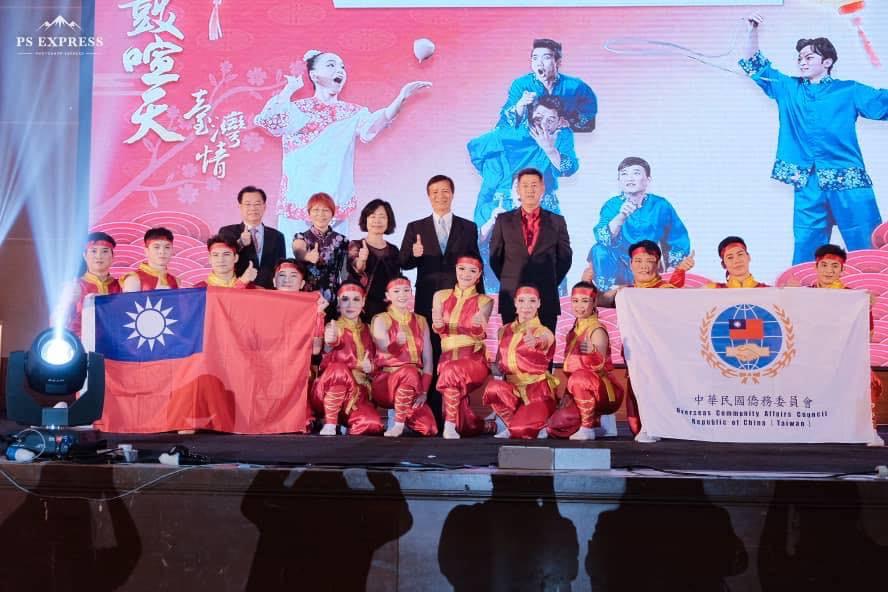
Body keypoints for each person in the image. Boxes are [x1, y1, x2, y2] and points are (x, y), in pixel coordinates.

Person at [740, 15, 886, 264]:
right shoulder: (789, 88)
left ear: (827, 62)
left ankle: (880, 298)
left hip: (848, 178)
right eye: (800, 58)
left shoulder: (848, 90)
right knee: (807, 251)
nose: (802, 62)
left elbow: (883, 103)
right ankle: (805, 301)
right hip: (808, 181)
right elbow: (755, 65)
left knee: (866, 247)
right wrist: (752, 30)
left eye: (809, 57)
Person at [253, 49, 431, 235]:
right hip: (298, 201)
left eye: (342, 67)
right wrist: (289, 90)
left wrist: (401, 96)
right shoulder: (298, 109)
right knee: (292, 262)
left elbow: (376, 123)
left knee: (335, 262)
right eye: (331, 65)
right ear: (314, 75)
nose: (339, 70)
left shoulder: (353, 113)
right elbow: (270, 120)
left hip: (334, 202)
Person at [470, 97, 579, 292]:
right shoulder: (511, 134)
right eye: (539, 118)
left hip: (540, 202)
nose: (544, 124)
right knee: (489, 250)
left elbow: (568, 168)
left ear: (560, 121)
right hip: (502, 199)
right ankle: (498, 302)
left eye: (551, 119)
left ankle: (552, 306)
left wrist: (549, 149)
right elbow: (476, 148)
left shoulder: (561, 136)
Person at [399, 174, 482, 426]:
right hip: (427, 299)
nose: (440, 196)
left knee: (456, 354)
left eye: (445, 191)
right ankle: (432, 411)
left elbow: (476, 264)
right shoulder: (416, 227)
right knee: (432, 352)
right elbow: (403, 262)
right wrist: (413, 255)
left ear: (452, 194)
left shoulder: (468, 227)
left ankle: (454, 413)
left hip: (460, 302)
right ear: (428, 196)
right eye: (434, 192)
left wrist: (480, 300)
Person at [795, 244, 883, 444]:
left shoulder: (854, 298)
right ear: (815, 268)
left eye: (834, 266)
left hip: (843, 359)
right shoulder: (802, 295)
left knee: (870, 381)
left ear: (843, 270)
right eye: (824, 265)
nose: (829, 271)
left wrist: (866, 306)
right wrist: (787, 295)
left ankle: (868, 431)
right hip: (809, 359)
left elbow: (868, 335)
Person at [613, 240, 695, 443]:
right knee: (634, 422)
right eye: (638, 261)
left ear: (657, 263)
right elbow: (596, 300)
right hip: (635, 358)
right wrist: (586, 282)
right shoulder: (625, 292)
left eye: (649, 261)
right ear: (630, 264)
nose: (644, 266)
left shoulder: (665, 289)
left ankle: (658, 425)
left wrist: (680, 272)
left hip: (661, 358)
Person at [489, 167, 572, 335]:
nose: (530, 190)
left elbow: (565, 258)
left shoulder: (557, 221)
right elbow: (495, 257)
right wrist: (511, 277)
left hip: (546, 297)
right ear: (518, 189)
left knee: (544, 352)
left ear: (542, 188)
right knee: (511, 351)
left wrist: (549, 280)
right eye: (525, 185)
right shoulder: (503, 221)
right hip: (511, 296)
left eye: (534, 185)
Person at [587, 157, 691, 290]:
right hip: (620, 264)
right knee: (599, 249)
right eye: (624, 174)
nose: (629, 178)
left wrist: (674, 266)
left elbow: (677, 236)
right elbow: (603, 238)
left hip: (648, 263)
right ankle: (609, 293)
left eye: (636, 173)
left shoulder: (660, 205)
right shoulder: (612, 205)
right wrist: (621, 216)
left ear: (648, 180)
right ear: (619, 181)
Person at [547, 282, 624, 441]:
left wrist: (593, 352)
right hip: (581, 387)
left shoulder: (597, 329)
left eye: (584, 301)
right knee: (555, 426)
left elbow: (600, 365)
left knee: (579, 378)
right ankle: (597, 424)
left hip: (604, 391)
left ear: (594, 302)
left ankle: (588, 427)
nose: (579, 306)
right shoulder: (573, 330)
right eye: (575, 301)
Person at [431, 256, 497, 439]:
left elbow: (477, 331)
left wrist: (476, 325)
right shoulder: (440, 296)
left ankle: (449, 427)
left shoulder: (485, 301)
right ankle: (486, 426)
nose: (466, 274)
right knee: (456, 407)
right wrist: (437, 324)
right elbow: (439, 329)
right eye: (462, 269)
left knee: (451, 373)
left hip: (472, 358)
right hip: (446, 357)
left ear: (479, 275)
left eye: (472, 271)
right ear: (455, 270)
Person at [483, 285, 559, 439]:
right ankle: (511, 424)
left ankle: (543, 423)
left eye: (532, 301)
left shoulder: (543, 331)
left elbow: (545, 340)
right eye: (522, 301)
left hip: (537, 393)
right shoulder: (503, 330)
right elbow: (499, 364)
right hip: (514, 390)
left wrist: (536, 341)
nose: (527, 306)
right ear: (515, 303)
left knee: (521, 431)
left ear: (539, 304)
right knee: (493, 389)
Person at [312, 282, 385, 437]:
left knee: (372, 424)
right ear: (338, 302)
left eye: (356, 299)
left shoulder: (369, 330)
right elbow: (329, 345)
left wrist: (370, 368)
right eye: (345, 299)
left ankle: (346, 424)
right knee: (339, 369)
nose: (350, 304)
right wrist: (330, 341)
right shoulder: (333, 327)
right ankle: (330, 422)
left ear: (363, 302)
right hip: (329, 391)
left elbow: (379, 364)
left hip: (358, 395)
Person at [370, 277, 438, 438]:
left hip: (413, 384)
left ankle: (402, 414)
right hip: (386, 383)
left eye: (406, 290)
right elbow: (383, 348)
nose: (402, 294)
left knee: (429, 429)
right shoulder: (380, 319)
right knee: (409, 370)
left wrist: (424, 391)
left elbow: (428, 360)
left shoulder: (421, 321)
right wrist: (396, 345)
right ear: (388, 296)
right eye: (396, 291)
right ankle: (398, 424)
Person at [497, 38, 597, 133]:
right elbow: (504, 123)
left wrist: (570, 122)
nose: (539, 63)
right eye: (535, 58)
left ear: (558, 62)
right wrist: (520, 105)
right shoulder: (521, 85)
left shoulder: (576, 86)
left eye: (546, 58)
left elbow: (590, 118)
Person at [218, 186, 286, 290]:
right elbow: (222, 259)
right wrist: (240, 244)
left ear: (264, 206)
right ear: (240, 207)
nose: (253, 208)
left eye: (257, 204)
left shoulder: (277, 236)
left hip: (268, 292)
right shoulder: (227, 232)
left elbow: (281, 268)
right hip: (238, 290)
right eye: (248, 204)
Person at [347, 199, 401, 322]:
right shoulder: (356, 245)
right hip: (362, 306)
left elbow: (397, 279)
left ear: (389, 221)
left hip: (388, 308)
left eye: (382, 216)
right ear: (365, 220)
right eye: (372, 216)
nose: (377, 221)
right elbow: (356, 268)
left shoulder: (393, 250)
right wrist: (362, 260)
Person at [290, 192, 348, 306]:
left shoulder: (342, 240)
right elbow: (298, 250)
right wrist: (307, 256)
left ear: (332, 214)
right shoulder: (301, 237)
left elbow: (345, 273)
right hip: (306, 297)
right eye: (316, 210)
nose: (321, 214)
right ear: (309, 213)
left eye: (325, 210)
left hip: (332, 298)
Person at [66, 232, 121, 336]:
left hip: (115, 346)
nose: (99, 256)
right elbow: (57, 322)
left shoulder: (122, 287)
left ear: (113, 256)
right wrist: (68, 303)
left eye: (105, 251)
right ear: (85, 255)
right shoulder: (73, 287)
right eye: (93, 251)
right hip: (81, 345)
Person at [120, 227, 180, 291]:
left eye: (167, 247)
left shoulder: (175, 281)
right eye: (156, 247)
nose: (162, 251)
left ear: (172, 250)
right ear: (146, 251)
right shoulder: (134, 279)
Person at [193, 234, 259, 288]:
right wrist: (241, 284)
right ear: (210, 259)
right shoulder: (199, 289)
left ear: (236, 258)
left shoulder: (250, 288)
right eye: (215, 255)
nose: (221, 260)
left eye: (226, 254)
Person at [705, 236, 769, 289]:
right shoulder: (713, 290)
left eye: (740, 254)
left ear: (748, 257)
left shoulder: (768, 291)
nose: (736, 260)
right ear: (723, 264)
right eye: (730, 257)